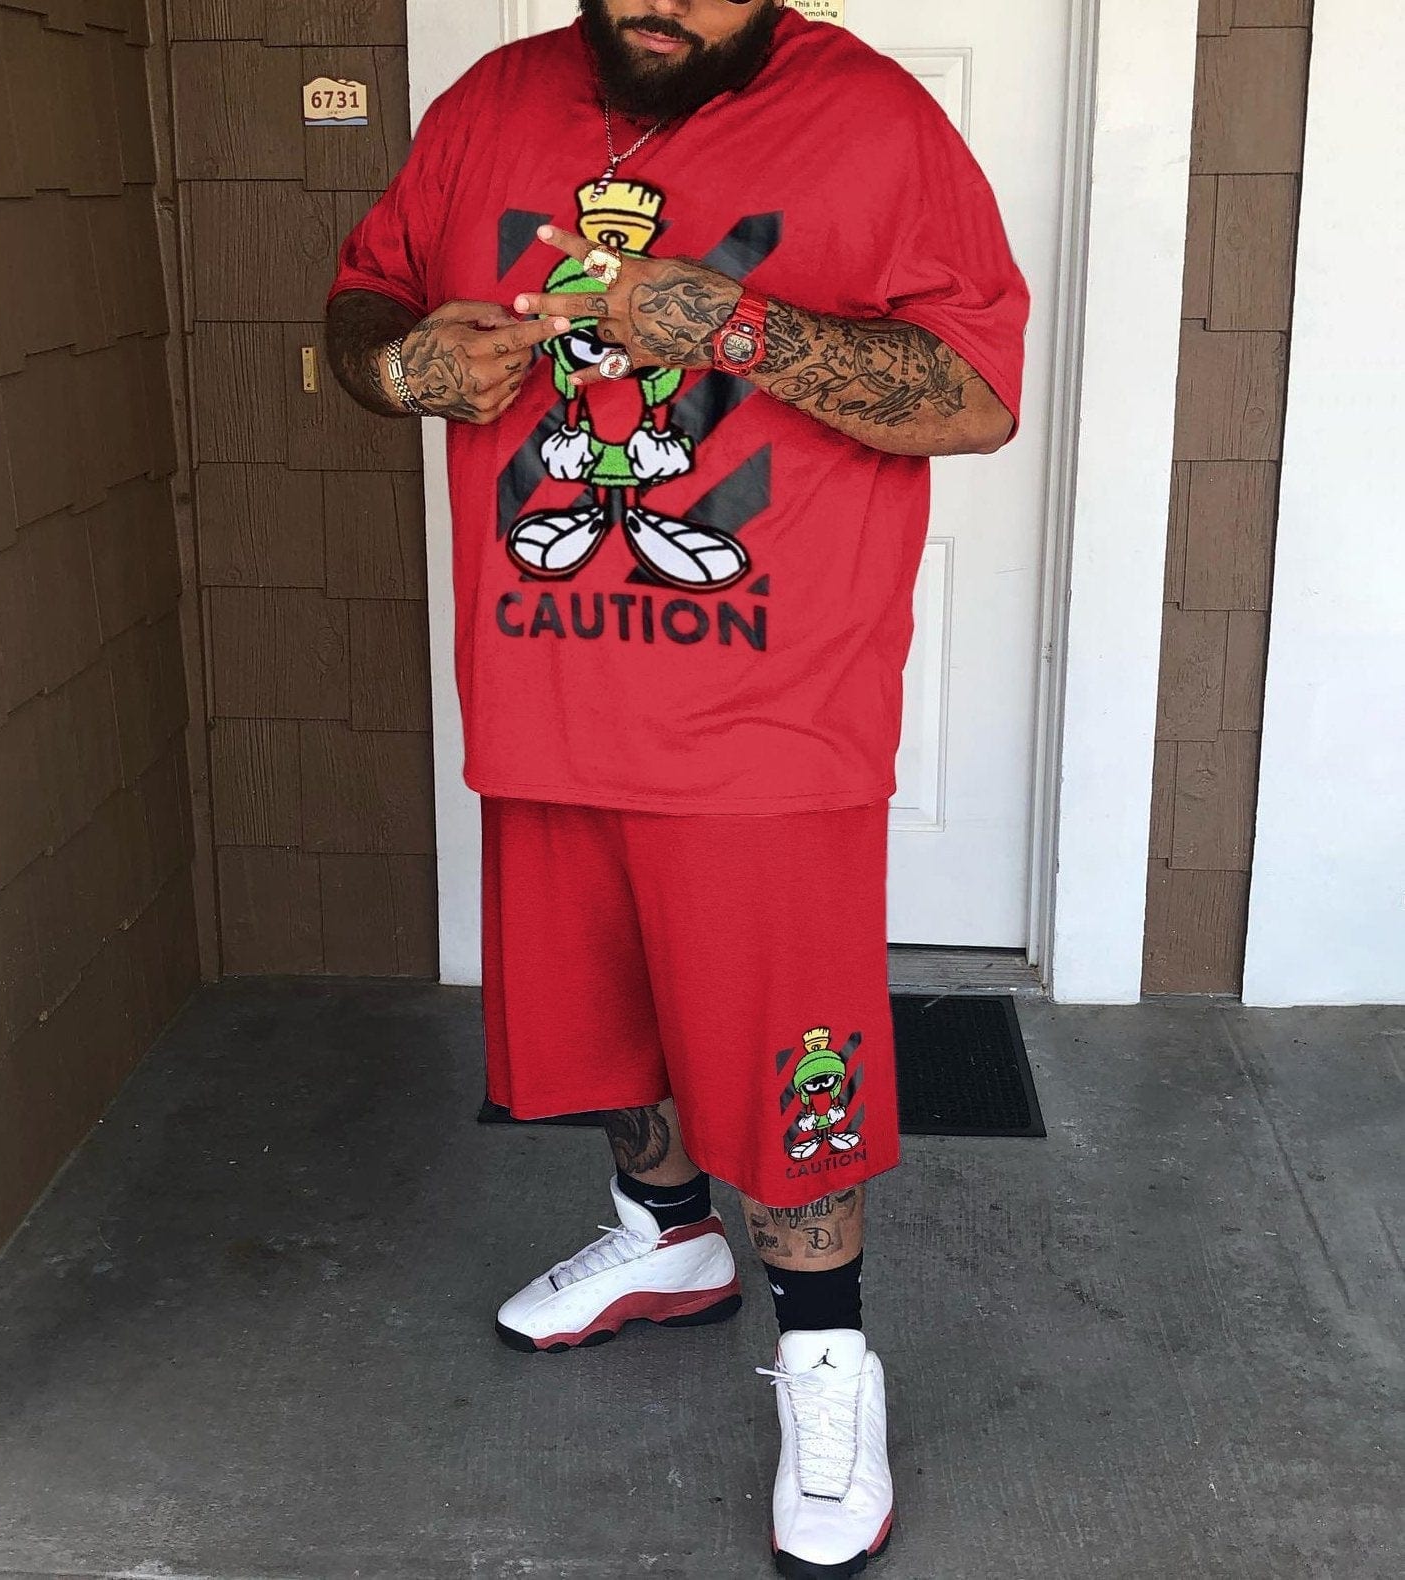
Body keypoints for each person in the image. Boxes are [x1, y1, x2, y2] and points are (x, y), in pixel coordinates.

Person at [324, 2, 1028, 1573]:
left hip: (769, 723)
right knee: (604, 1015)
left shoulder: (874, 121)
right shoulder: (490, 104)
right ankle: (666, 1242)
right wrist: (399, 365)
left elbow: (976, 396)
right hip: (545, 691)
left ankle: (830, 1356)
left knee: (789, 1069)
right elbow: (366, 295)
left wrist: (736, 328)